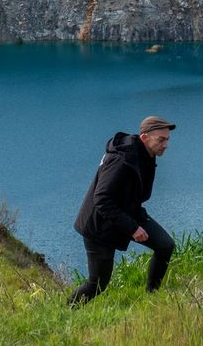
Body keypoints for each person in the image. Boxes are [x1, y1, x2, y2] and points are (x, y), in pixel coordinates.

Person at [69, 115, 176, 306]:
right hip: (99, 225)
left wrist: (134, 221)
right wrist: (133, 228)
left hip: (128, 212)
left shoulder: (146, 155)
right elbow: (102, 199)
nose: (166, 144)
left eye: (167, 139)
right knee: (98, 284)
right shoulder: (121, 160)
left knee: (165, 245)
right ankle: (67, 310)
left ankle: (153, 297)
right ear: (144, 138)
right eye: (161, 139)